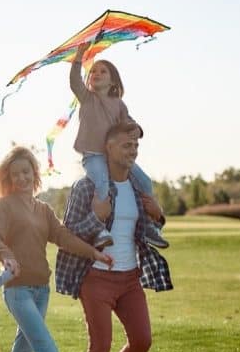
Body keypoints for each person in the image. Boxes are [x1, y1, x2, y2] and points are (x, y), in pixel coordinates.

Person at [0, 146, 114, 352]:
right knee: (48, 351)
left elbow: (64, 237)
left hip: (41, 291)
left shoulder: (42, 210)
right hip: (17, 291)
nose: (21, 178)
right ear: (8, 178)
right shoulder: (3, 206)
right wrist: (5, 255)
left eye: (26, 172)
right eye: (15, 174)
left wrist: (94, 253)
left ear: (35, 174)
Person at [55, 121, 173, 352]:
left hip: (130, 277)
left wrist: (158, 215)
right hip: (95, 278)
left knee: (142, 339)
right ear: (107, 147)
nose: (132, 151)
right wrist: (97, 214)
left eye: (135, 146)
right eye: (126, 145)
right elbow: (68, 232)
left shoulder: (138, 189)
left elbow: (150, 229)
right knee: (101, 344)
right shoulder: (86, 187)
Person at [70, 42, 168, 250]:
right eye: (93, 71)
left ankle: (150, 227)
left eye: (103, 71)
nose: (96, 73)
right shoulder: (87, 98)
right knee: (103, 186)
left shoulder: (119, 104)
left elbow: (129, 123)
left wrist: (137, 129)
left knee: (145, 182)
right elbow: (74, 82)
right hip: (94, 155)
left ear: (112, 80)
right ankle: (99, 230)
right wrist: (79, 57)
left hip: (115, 156)